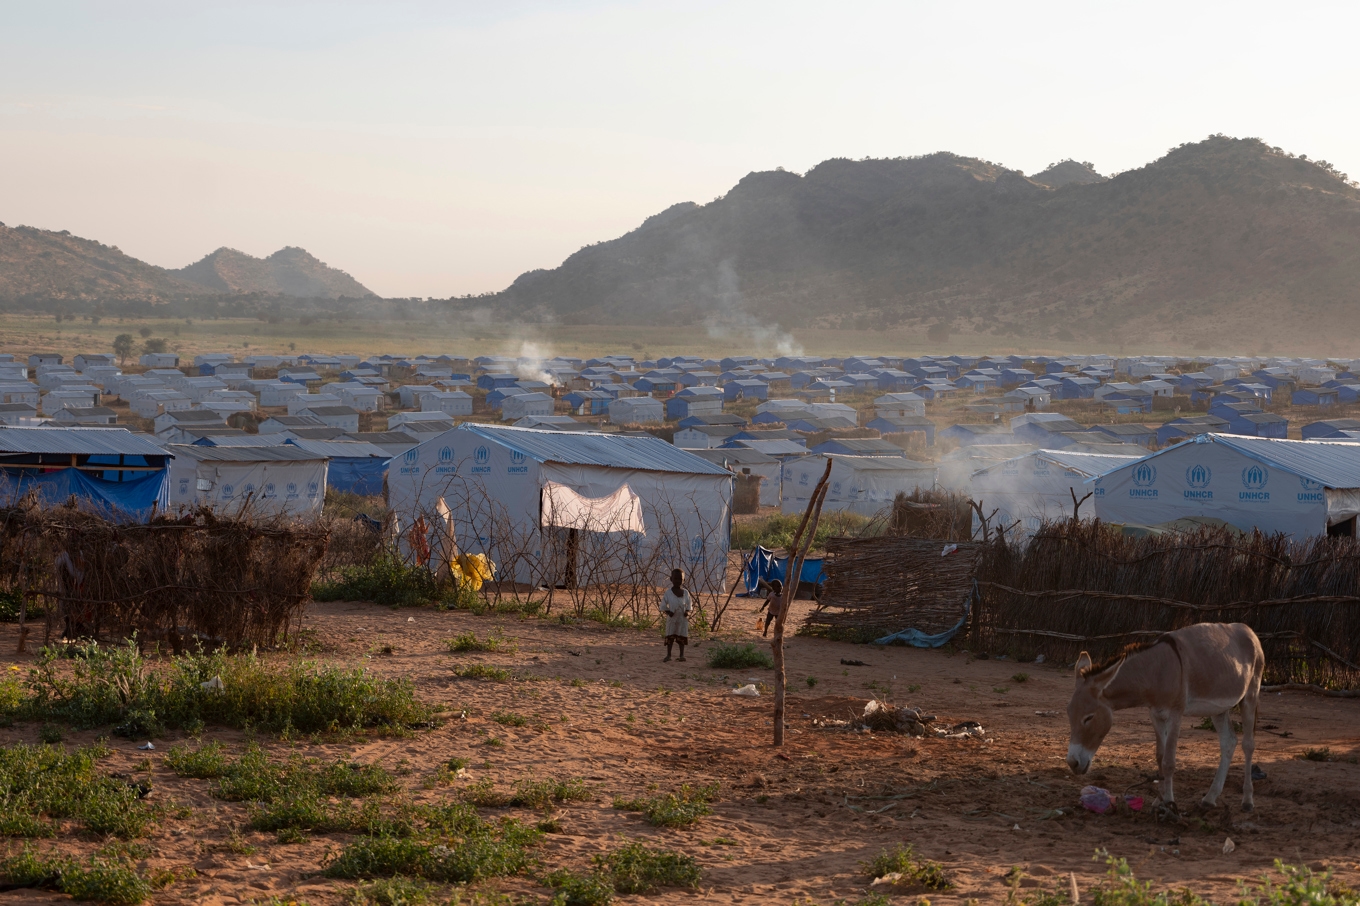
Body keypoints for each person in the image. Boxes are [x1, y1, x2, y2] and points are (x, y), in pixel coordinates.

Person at [659, 568, 692, 662]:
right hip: (672, 618)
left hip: (682, 618)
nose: (677, 581)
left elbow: (689, 604)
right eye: (675, 579)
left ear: (684, 580)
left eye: (680, 579)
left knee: (681, 636)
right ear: (671, 579)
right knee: (670, 636)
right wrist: (669, 612)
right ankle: (668, 655)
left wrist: (687, 612)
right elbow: (663, 605)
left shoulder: (686, 593)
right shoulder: (668, 593)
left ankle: (681, 655)